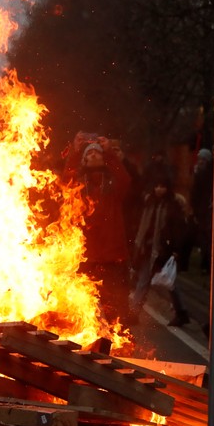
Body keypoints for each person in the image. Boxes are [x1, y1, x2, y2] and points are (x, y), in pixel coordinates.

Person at [76, 139, 132, 325]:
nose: (93, 154)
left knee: (114, 306)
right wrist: (76, 150)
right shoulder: (80, 186)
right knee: (84, 303)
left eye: (97, 152)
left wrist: (109, 152)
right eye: (89, 153)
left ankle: (114, 343)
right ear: (84, 160)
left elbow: (125, 179)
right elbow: (65, 181)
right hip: (87, 255)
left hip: (112, 255)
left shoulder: (112, 185)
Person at [128, 176, 189, 327]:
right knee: (144, 280)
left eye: (162, 186)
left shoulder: (173, 206)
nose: (159, 189)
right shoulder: (149, 204)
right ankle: (134, 312)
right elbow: (142, 225)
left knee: (170, 282)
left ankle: (181, 312)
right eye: (156, 186)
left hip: (164, 250)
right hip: (148, 248)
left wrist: (175, 249)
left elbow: (178, 230)